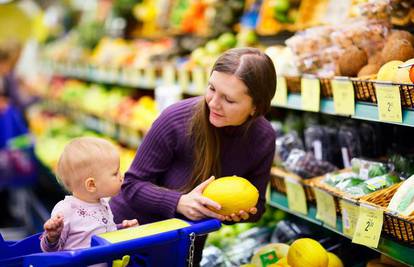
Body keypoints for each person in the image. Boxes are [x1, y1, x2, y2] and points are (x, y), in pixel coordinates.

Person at [110, 47, 277, 266]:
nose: (213, 103)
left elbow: (258, 207)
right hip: (131, 237)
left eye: (229, 99)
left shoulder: (263, 138)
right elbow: (131, 185)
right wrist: (179, 202)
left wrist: (237, 213)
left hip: (185, 246)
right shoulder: (176, 119)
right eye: (211, 88)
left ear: (256, 108)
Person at [40, 137, 138, 254]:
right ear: (91, 184)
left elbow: (101, 232)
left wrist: (120, 229)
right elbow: (50, 252)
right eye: (115, 173)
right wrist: (52, 237)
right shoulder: (65, 211)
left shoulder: (102, 202)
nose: (122, 177)